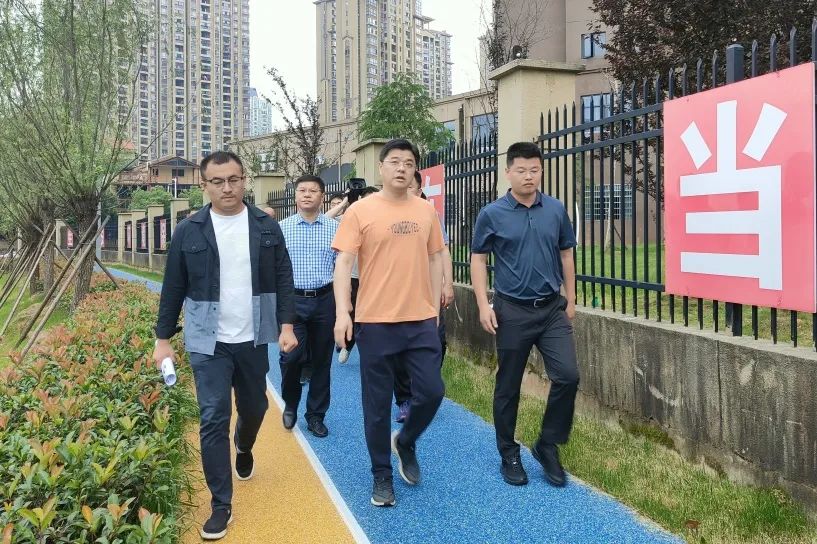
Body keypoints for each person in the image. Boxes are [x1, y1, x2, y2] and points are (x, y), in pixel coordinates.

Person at [153, 150, 297, 540]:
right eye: (217, 181)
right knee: (213, 415)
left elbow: (284, 276)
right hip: (207, 340)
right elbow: (173, 287)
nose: (227, 188)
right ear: (204, 186)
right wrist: (163, 340)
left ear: (244, 180)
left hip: (252, 337)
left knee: (255, 407)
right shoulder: (189, 230)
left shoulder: (266, 226)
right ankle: (220, 504)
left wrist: (286, 325)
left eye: (234, 179)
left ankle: (244, 445)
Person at [333, 138, 445, 507]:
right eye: (394, 161)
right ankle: (381, 475)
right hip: (376, 321)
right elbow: (343, 264)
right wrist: (343, 313)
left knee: (432, 392)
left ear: (415, 170)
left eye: (409, 163)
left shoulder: (425, 211)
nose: (402, 168)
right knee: (377, 405)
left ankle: (406, 441)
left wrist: (434, 309)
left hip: (420, 320)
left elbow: (435, 258)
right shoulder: (360, 211)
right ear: (381, 168)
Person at [470, 141, 578, 488]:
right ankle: (508, 452)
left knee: (568, 376)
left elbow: (566, 255)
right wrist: (482, 304)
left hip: (551, 309)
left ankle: (547, 444)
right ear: (508, 172)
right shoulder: (492, 214)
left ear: (541, 171)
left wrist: (571, 299)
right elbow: (478, 259)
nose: (528, 176)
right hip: (512, 311)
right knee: (508, 385)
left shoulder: (555, 209)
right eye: (521, 170)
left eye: (534, 170)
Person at [278, 175, 339, 438]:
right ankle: (290, 404)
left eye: (313, 191)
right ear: (295, 196)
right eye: (302, 190)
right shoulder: (282, 228)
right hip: (292, 301)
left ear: (322, 197)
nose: (307, 194)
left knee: (323, 361)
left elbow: (342, 268)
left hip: (325, 300)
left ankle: (316, 415)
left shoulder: (335, 228)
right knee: (291, 358)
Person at [393, 171, 454, 423]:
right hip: (397, 294)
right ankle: (405, 398)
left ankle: (424, 390)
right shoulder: (386, 215)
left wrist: (447, 284)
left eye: (412, 187)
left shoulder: (431, 216)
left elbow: (442, 252)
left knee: (437, 341)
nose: (406, 190)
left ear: (419, 191)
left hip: (428, 292)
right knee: (399, 348)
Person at [334, 186, 378, 364]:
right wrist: (346, 201)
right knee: (353, 315)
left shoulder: (384, 220)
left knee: (372, 318)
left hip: (376, 279)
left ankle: (370, 351)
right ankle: (348, 344)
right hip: (354, 277)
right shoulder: (351, 218)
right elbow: (328, 218)